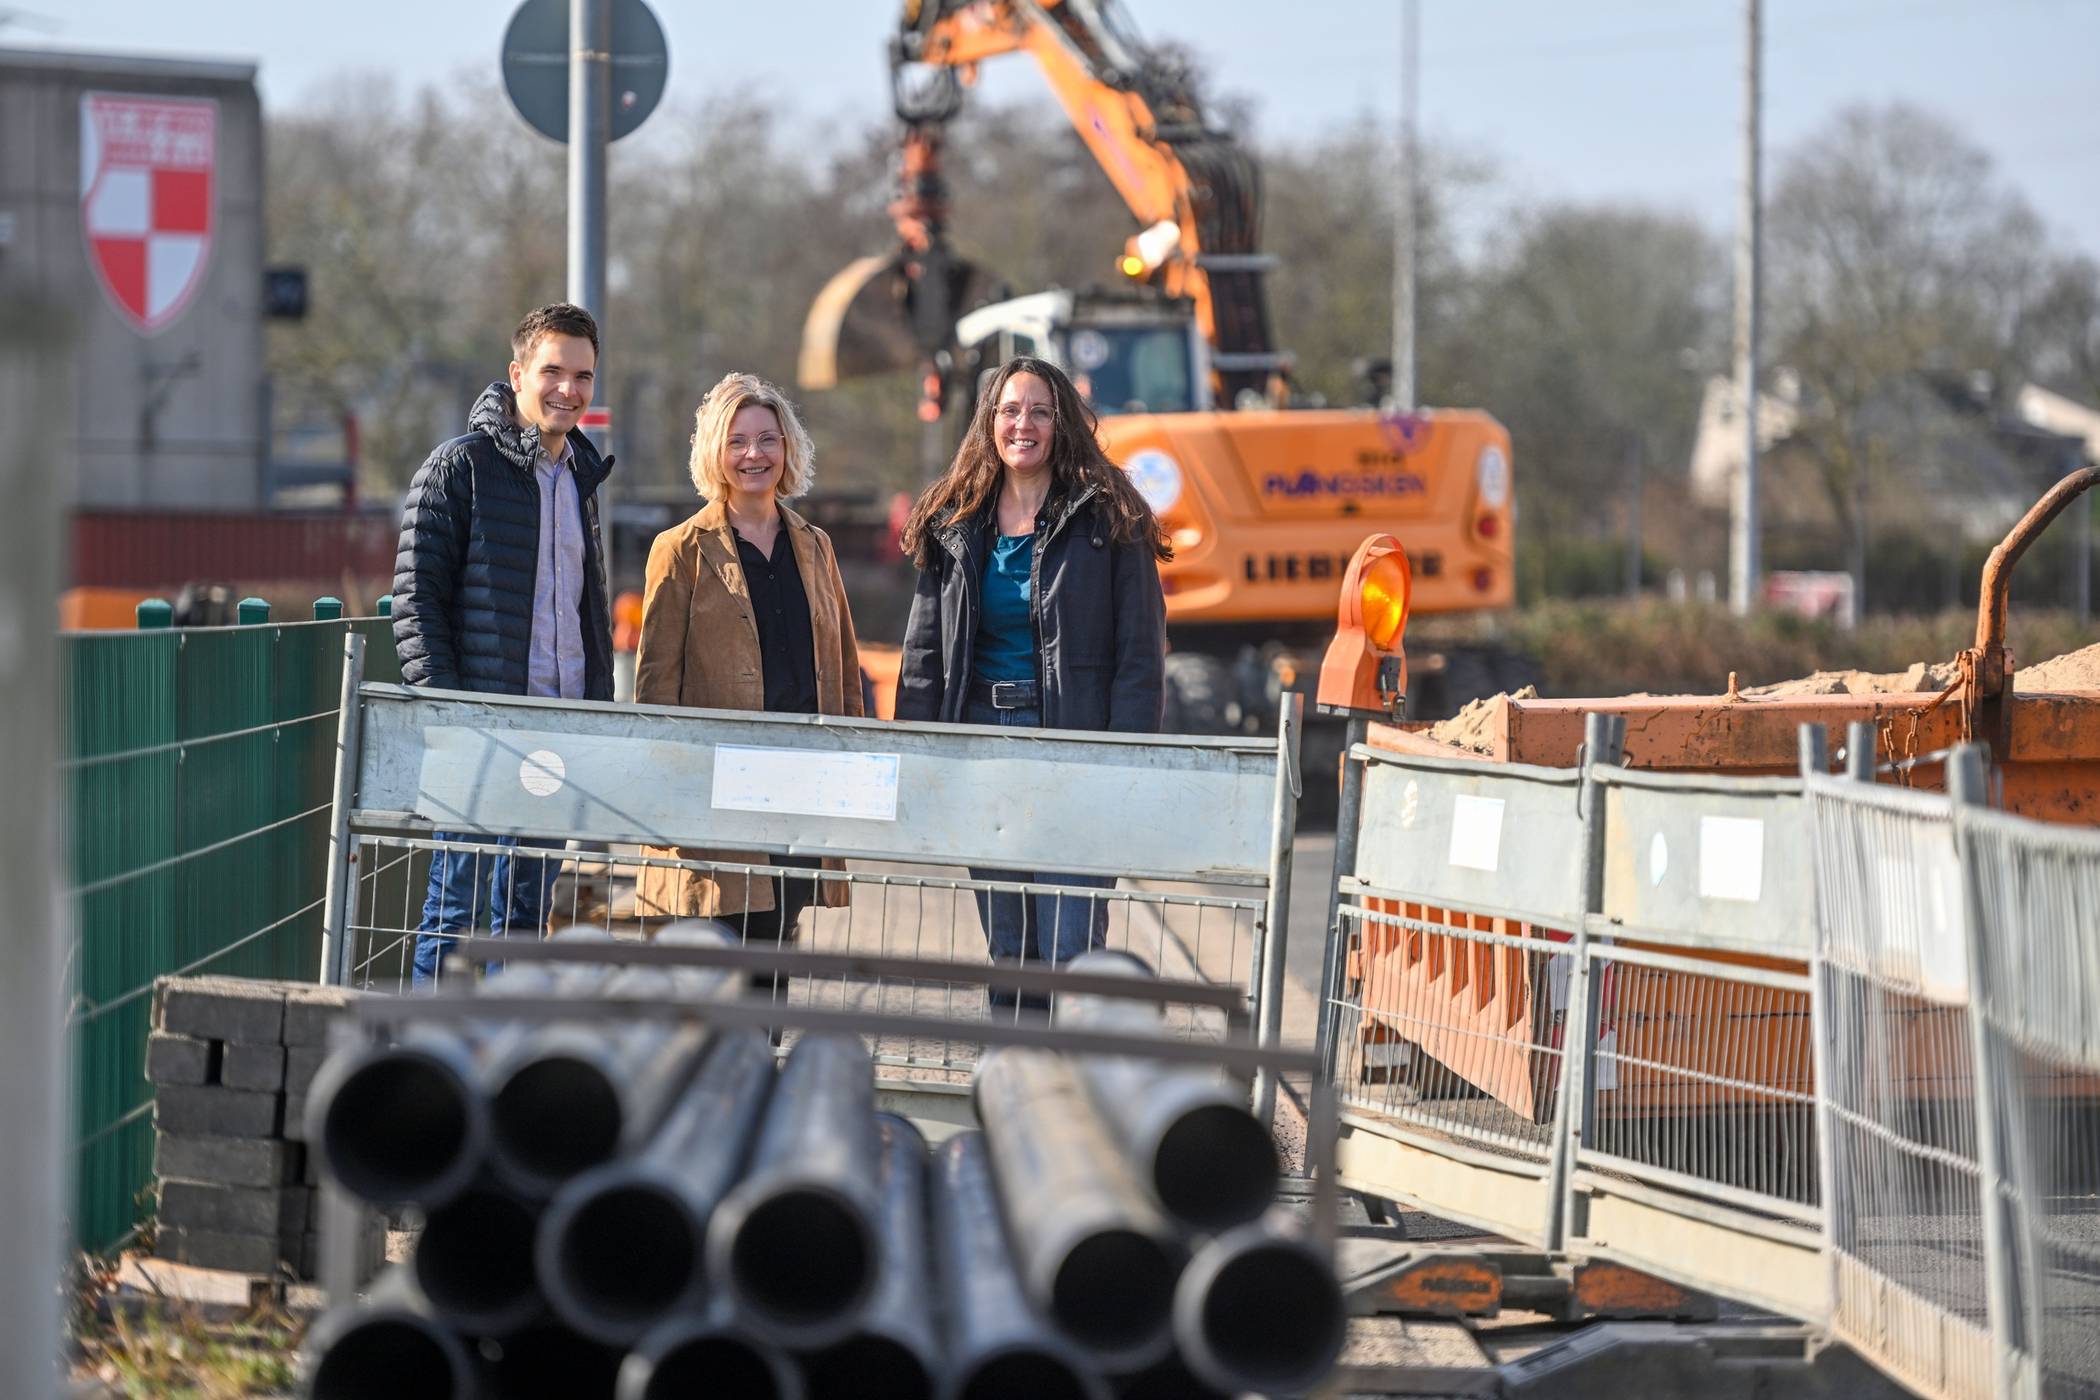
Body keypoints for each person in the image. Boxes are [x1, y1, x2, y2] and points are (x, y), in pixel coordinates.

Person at [896, 355, 1169, 1008]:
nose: (1025, 424)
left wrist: (1121, 759)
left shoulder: (1110, 518)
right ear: (989, 423)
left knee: (1070, 951)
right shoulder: (953, 523)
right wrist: (919, 764)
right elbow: (924, 656)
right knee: (1011, 950)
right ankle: (1014, 1088)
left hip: (1075, 751)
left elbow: (1140, 655)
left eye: (1040, 411)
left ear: (1062, 423)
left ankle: (1070, 1095)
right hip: (982, 755)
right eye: (1011, 410)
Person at [392, 303, 614, 987]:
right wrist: (452, 717)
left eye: (582, 376)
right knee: (454, 914)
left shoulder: (582, 476)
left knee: (523, 917)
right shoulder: (459, 467)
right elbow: (415, 599)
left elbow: (580, 608)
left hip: (556, 735)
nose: (567, 390)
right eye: (552, 371)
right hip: (479, 737)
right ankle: (428, 1065)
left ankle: (503, 1063)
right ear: (517, 374)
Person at [634, 372, 865, 994]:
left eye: (767, 439)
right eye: (738, 441)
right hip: (719, 789)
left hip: (799, 786)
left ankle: (762, 1077)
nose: (754, 455)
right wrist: (668, 789)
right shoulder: (679, 549)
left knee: (777, 948)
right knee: (721, 958)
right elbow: (656, 683)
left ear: (788, 448)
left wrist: (846, 769)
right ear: (715, 451)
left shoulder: (815, 547)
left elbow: (842, 667)